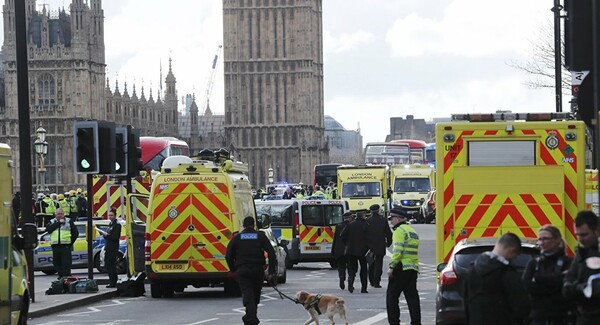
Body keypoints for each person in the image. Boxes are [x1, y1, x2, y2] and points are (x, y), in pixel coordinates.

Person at [463, 232, 529, 325]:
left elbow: (466, 304)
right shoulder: (507, 273)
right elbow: (521, 306)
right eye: (515, 256)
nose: (514, 260)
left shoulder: (472, 270)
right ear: (512, 250)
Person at [226, 216, 276, 325]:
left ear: (243, 225)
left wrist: (233, 269)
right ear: (254, 225)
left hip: (242, 270)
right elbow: (272, 253)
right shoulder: (260, 236)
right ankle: (251, 318)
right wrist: (271, 271)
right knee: (256, 294)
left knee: (247, 293)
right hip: (257, 269)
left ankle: (250, 318)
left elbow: (228, 255)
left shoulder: (237, 237)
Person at [522, 224, 573, 325]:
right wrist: (556, 280)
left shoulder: (569, 262)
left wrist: (539, 279)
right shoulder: (534, 263)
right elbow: (526, 285)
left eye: (545, 239)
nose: (541, 243)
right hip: (539, 317)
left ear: (557, 240)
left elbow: (568, 287)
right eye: (540, 239)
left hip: (561, 317)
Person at [563, 210, 600, 325]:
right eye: (577, 234)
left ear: (596, 231)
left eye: (584, 234)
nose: (580, 239)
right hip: (584, 317)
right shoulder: (581, 255)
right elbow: (567, 285)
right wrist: (582, 288)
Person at [386, 208, 421, 325]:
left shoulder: (399, 231)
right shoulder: (412, 231)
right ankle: (416, 322)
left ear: (397, 218)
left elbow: (398, 251)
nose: (390, 222)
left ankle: (394, 322)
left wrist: (391, 267)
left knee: (391, 297)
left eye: (391, 219)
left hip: (401, 267)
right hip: (412, 268)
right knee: (412, 298)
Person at [341, 209, 369, 293]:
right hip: (363, 251)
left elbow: (342, 235)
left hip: (351, 250)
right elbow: (370, 238)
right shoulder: (366, 224)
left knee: (352, 268)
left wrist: (347, 243)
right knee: (363, 269)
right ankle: (364, 288)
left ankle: (350, 281)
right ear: (363, 215)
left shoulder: (350, 225)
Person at [45, 208, 79, 279]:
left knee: (66, 264)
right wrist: (59, 223)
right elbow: (49, 230)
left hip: (65, 246)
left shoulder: (69, 221)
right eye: (58, 214)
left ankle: (66, 278)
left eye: (61, 214)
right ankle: (61, 277)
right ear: (55, 214)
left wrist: (70, 242)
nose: (59, 215)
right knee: (56, 263)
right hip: (55, 246)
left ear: (63, 214)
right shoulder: (52, 221)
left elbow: (75, 233)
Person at [366, 204, 392, 288]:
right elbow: (388, 232)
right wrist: (389, 242)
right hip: (380, 245)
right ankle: (377, 282)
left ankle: (371, 281)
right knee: (379, 263)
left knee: (371, 264)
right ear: (378, 210)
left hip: (370, 245)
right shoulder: (383, 220)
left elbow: (364, 234)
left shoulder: (368, 220)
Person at [99, 208, 122, 288]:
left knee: (111, 265)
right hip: (108, 247)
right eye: (109, 215)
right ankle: (112, 281)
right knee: (107, 264)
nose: (110, 217)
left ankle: (113, 282)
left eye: (112, 215)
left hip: (113, 248)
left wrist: (107, 235)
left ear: (115, 216)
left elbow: (115, 237)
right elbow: (109, 237)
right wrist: (104, 235)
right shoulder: (110, 224)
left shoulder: (117, 225)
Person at [332, 211, 353, 290]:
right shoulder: (352, 226)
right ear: (350, 218)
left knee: (341, 266)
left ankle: (341, 277)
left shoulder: (338, 226)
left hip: (339, 250)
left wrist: (333, 250)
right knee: (350, 267)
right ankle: (350, 280)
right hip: (349, 250)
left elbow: (335, 239)